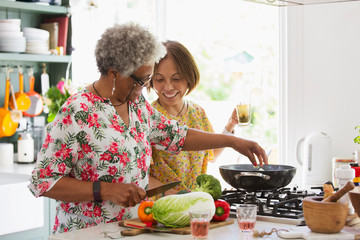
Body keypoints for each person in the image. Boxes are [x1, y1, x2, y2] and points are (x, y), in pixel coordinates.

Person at [28, 22, 268, 234]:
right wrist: (105, 190)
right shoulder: (77, 112)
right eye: (141, 81)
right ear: (113, 73)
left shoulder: (136, 104)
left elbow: (177, 136)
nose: (145, 88)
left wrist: (231, 140)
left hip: (131, 227)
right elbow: (43, 181)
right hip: (85, 232)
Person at [148, 40, 240, 194]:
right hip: (162, 206)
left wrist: (230, 125)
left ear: (189, 77)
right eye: (159, 79)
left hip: (195, 205)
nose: (169, 87)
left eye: (176, 79)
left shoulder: (197, 112)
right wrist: (177, 196)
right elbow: (141, 176)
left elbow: (212, 155)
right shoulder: (149, 117)